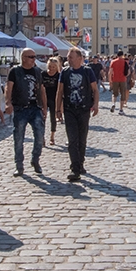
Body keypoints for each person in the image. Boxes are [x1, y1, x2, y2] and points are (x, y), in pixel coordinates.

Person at [57, 47, 99, 181]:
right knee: (72, 140)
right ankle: (75, 169)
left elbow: (95, 90)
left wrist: (96, 104)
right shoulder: (64, 72)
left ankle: (80, 163)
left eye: (71, 57)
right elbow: (60, 92)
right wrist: (58, 109)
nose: (68, 59)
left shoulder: (87, 71)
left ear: (80, 59)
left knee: (82, 139)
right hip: (69, 109)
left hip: (83, 109)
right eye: (68, 57)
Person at [6, 47, 46, 176]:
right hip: (20, 108)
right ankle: (19, 165)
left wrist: (44, 107)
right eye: (31, 57)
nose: (34, 59)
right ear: (23, 58)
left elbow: (41, 89)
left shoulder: (37, 72)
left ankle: (35, 159)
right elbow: (9, 88)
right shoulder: (15, 71)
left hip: (35, 108)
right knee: (18, 138)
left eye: (35, 56)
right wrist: (8, 103)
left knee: (40, 137)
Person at [42, 56, 61, 146]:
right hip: (43, 99)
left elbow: (60, 90)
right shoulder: (43, 74)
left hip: (54, 99)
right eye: (50, 66)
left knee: (53, 119)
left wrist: (60, 106)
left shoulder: (58, 75)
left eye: (54, 67)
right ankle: (41, 137)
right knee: (42, 118)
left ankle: (52, 136)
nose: (52, 69)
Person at [108, 50, 129, 115]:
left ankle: (113, 104)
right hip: (123, 79)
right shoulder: (125, 62)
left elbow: (110, 72)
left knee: (114, 93)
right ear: (122, 55)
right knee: (122, 94)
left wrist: (110, 80)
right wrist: (125, 76)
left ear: (117, 55)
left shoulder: (113, 62)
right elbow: (128, 72)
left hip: (115, 79)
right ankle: (121, 109)